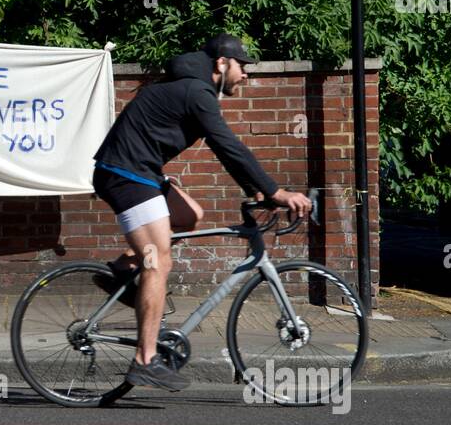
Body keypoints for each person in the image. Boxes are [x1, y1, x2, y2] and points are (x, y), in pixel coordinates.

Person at [91, 33, 312, 391]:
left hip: (139, 171)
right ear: (222, 64)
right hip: (125, 174)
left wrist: (258, 190)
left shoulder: (192, 90)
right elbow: (228, 144)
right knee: (158, 261)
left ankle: (123, 270)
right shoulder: (197, 92)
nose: (246, 75)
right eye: (243, 66)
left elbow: (226, 150)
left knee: (190, 215)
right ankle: (145, 360)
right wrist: (274, 191)